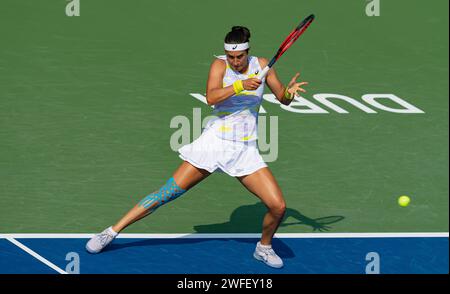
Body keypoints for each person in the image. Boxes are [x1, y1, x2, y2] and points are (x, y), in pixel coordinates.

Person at [86, 26, 308, 269]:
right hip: (214, 143)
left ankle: (263, 248)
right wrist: (240, 85)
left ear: (248, 52)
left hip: (245, 150)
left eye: (239, 57)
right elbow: (211, 97)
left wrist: (289, 94)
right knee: (166, 194)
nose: (233, 61)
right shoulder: (219, 65)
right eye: (230, 56)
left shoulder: (263, 65)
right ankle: (111, 231)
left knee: (278, 206)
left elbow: (282, 98)